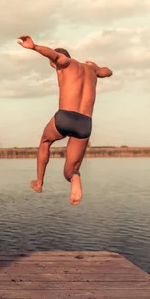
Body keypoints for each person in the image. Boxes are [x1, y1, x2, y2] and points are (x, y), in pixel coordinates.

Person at [17, 35, 112, 205]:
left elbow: (53, 56)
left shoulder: (65, 63)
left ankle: (39, 183)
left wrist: (34, 47)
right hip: (85, 123)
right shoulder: (92, 70)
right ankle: (75, 179)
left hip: (65, 116)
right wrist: (97, 67)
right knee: (71, 170)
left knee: (45, 142)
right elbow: (108, 72)